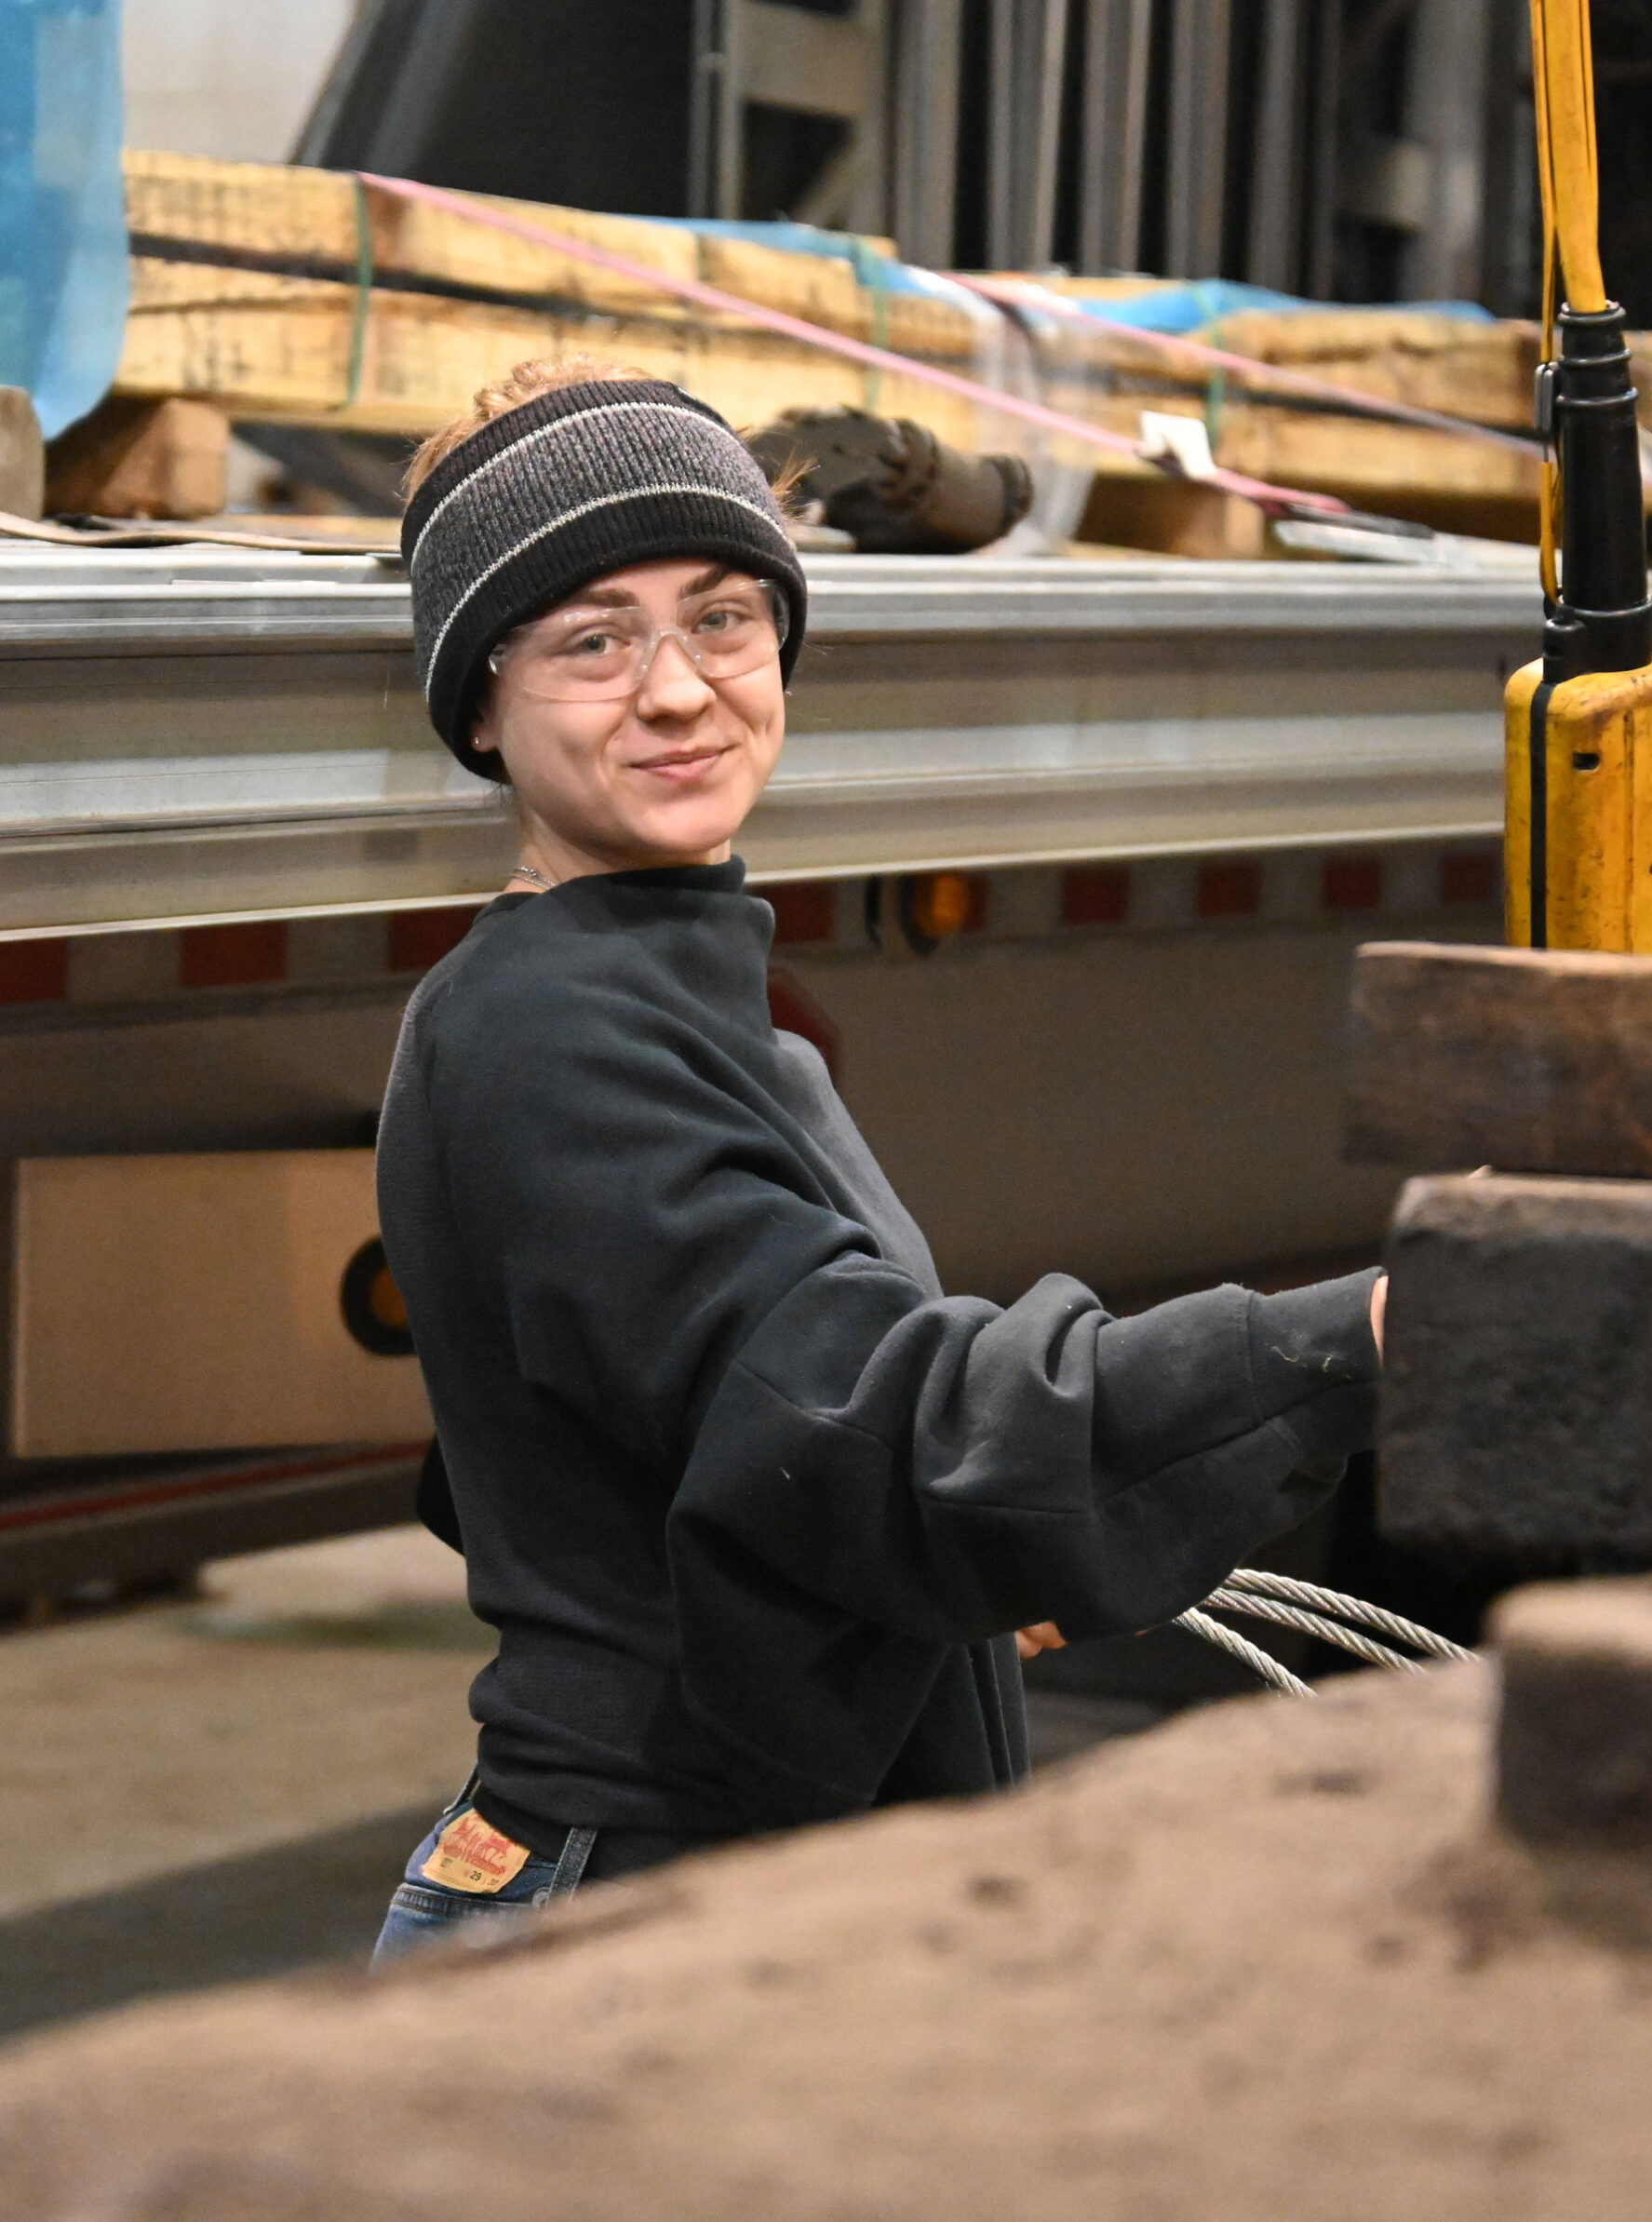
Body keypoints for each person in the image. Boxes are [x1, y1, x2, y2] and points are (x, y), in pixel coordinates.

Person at [369, 359, 1388, 1964]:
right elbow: (882, 1432)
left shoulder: (676, 991)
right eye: (590, 641)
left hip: (732, 1864)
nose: (679, 688)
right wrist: (1358, 1341)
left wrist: (901, 1593)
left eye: (721, 615)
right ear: (479, 709)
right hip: (636, 1905)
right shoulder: (551, 1032)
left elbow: (629, 1449)